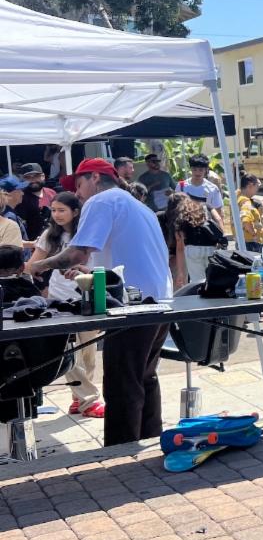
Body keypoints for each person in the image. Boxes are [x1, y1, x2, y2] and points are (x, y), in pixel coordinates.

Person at [28, 158, 172, 446]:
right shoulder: (137, 205)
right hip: (160, 300)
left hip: (133, 304)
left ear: (95, 177)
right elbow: (128, 258)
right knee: (144, 377)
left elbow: (77, 253)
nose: (77, 193)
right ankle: (148, 443)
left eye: (79, 185)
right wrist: (91, 273)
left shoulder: (103, 200)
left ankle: (120, 455)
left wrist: (33, 267)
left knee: (122, 383)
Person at [25, 192, 104, 418]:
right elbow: (32, 265)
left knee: (88, 351)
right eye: (53, 210)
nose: (57, 215)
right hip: (59, 299)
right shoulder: (50, 235)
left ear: (75, 212)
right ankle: (89, 400)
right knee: (70, 350)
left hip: (88, 295)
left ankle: (78, 397)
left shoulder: (87, 233)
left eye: (62, 210)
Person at [164, 192, 225, 287]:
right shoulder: (204, 206)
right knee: (214, 281)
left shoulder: (181, 214)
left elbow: (180, 247)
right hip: (211, 248)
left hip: (192, 250)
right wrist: (221, 236)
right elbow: (218, 219)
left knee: (199, 283)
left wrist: (180, 272)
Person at [179, 154, 224, 226]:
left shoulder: (213, 189)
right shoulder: (181, 186)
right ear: (190, 169)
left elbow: (218, 212)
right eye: (194, 169)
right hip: (186, 226)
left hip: (205, 227)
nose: (197, 173)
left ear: (206, 170)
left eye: (201, 170)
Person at [16, 163, 55, 241]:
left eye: (36, 176)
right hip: (32, 243)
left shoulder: (52, 193)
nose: (33, 180)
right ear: (22, 179)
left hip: (53, 240)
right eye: (28, 177)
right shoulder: (20, 197)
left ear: (43, 176)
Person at [238, 174, 263, 253]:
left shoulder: (237, 196)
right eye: (256, 186)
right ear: (250, 186)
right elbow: (246, 221)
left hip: (242, 240)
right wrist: (254, 234)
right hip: (251, 243)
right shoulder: (245, 202)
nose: (257, 189)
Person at [0, 176, 29, 243]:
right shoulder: (9, 216)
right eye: (19, 190)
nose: (22, 193)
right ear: (8, 194)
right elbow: (11, 242)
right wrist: (33, 243)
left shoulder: (8, 212)